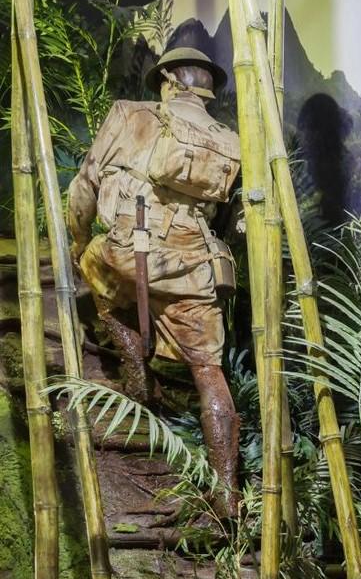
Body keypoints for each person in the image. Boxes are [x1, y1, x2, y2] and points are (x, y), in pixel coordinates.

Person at [67, 46, 242, 511]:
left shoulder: (130, 114)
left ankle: (137, 378)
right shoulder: (230, 140)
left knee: (94, 268)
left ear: (167, 78)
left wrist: (77, 239)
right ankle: (227, 492)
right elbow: (232, 218)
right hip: (195, 265)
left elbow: (85, 184)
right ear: (207, 86)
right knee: (209, 372)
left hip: (132, 250)